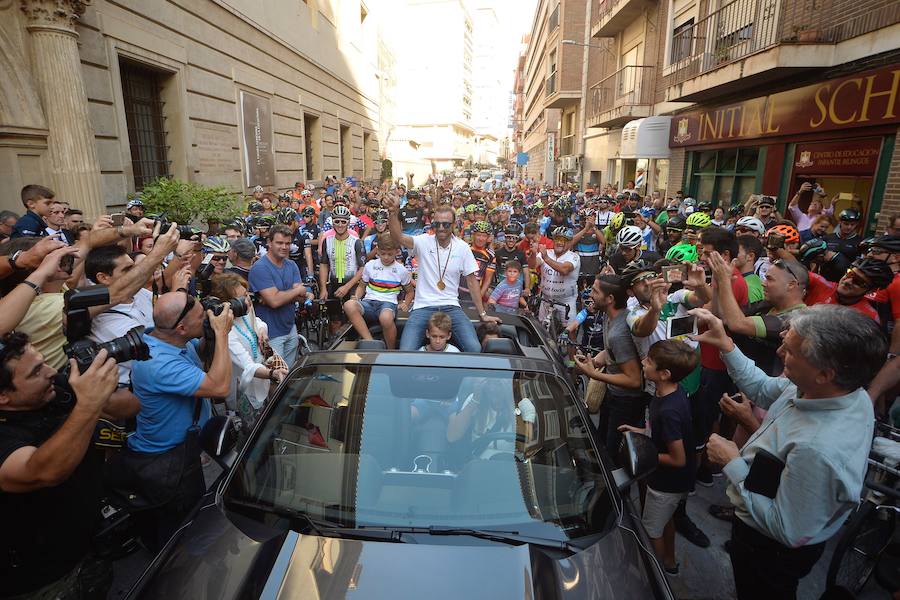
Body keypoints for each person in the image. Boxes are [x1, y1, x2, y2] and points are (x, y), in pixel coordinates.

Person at [692, 305, 884, 600]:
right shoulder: (827, 389)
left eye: (792, 350)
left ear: (824, 373)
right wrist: (725, 345)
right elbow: (764, 388)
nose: (780, 352)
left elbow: (787, 528)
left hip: (771, 549)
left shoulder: (819, 448)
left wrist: (731, 463)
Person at [0, 335, 121, 599]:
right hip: (42, 581)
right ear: (3, 397)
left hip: (88, 547)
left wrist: (103, 392)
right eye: (36, 372)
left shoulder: (52, 390)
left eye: (43, 363)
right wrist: (88, 405)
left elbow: (130, 407)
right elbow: (44, 472)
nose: (52, 372)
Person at [125, 292, 234, 551]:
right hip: (168, 464)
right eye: (201, 316)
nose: (206, 317)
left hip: (181, 452)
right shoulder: (157, 362)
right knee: (182, 532)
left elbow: (199, 353)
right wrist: (222, 334)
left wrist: (209, 335)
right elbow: (219, 387)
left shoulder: (166, 337)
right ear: (182, 328)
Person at [619, 339, 699, 576]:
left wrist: (643, 452)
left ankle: (655, 576)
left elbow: (678, 459)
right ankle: (670, 563)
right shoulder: (670, 393)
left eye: (649, 361)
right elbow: (659, 435)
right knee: (667, 521)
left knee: (652, 530)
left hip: (666, 485)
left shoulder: (668, 411)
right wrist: (639, 432)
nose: (643, 362)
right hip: (673, 483)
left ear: (664, 374)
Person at [385, 194, 499, 353]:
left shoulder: (462, 247)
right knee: (406, 351)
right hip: (423, 307)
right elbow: (397, 237)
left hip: (451, 306)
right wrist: (393, 212)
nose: (440, 228)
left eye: (445, 224)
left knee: (474, 348)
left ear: (453, 225)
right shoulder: (423, 241)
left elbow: (473, 283)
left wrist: (482, 313)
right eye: (436, 224)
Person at [573, 275, 643, 455]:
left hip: (626, 403)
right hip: (612, 395)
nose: (591, 295)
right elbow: (610, 351)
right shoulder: (608, 317)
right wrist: (595, 361)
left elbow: (634, 380)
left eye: (596, 291)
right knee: (601, 442)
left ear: (610, 299)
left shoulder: (619, 333)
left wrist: (594, 374)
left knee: (614, 455)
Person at [209, 273, 284, 434]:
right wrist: (273, 374)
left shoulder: (245, 310)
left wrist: (262, 330)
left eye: (247, 294)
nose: (249, 299)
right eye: (242, 297)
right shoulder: (225, 330)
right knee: (253, 435)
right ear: (229, 303)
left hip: (262, 383)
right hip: (243, 391)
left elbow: (257, 321)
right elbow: (247, 366)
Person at [249, 224, 307, 366]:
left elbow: (301, 296)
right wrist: (295, 292)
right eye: (279, 243)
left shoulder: (291, 265)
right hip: (270, 334)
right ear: (269, 242)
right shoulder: (260, 267)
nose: (284, 247)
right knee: (274, 377)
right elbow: (274, 301)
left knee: (288, 375)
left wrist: (283, 296)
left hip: (290, 328)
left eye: (287, 243)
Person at [343, 234, 413, 349]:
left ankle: (391, 350)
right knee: (349, 305)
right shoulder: (370, 265)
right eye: (383, 253)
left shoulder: (402, 270)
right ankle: (370, 342)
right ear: (378, 251)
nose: (386, 257)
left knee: (385, 318)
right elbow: (362, 286)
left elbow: (410, 291)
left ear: (396, 252)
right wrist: (356, 297)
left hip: (388, 304)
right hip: (369, 302)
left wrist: (406, 303)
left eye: (390, 254)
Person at [535, 227, 580, 323]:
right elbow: (533, 264)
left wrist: (546, 258)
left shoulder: (574, 256)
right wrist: (532, 253)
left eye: (564, 240)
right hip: (546, 299)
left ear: (569, 242)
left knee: (569, 331)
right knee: (541, 329)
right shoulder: (546, 252)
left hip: (566, 301)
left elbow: (565, 270)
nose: (560, 243)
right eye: (557, 239)